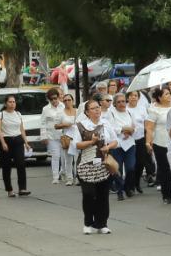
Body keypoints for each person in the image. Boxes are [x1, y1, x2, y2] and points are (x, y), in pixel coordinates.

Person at [72, 98, 115, 233]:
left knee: (103, 195)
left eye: (98, 107)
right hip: (86, 165)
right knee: (89, 194)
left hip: (103, 164)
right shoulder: (80, 125)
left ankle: (102, 223)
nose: (97, 110)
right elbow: (76, 145)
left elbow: (115, 141)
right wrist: (91, 142)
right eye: (93, 108)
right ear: (86, 112)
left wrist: (108, 147)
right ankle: (88, 223)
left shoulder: (106, 123)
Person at [104, 90, 140, 201]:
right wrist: (123, 129)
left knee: (130, 167)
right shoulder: (111, 113)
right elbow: (110, 128)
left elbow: (135, 127)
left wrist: (131, 131)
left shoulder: (129, 112)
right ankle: (120, 191)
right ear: (115, 103)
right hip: (117, 145)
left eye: (124, 101)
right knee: (117, 168)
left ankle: (127, 186)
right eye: (119, 102)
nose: (122, 104)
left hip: (130, 144)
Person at [0, 93, 29, 198]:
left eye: (14, 102)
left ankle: (22, 188)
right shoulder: (0, 115)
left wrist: (26, 142)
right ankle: (9, 190)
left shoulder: (18, 114)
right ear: (5, 103)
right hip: (6, 141)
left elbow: (21, 129)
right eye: (10, 102)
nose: (12, 104)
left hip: (18, 140)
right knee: (6, 167)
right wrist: (3, 142)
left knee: (21, 164)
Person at [146, 88, 171, 205]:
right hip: (161, 142)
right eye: (166, 94)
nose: (169, 95)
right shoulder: (154, 110)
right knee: (165, 170)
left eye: (169, 93)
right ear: (159, 97)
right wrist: (148, 142)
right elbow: (149, 128)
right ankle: (167, 194)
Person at [52, 91, 79, 187]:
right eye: (65, 100)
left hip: (77, 137)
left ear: (73, 101)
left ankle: (77, 178)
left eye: (69, 100)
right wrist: (64, 125)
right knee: (68, 159)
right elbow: (55, 126)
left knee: (77, 159)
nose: (67, 102)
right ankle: (69, 178)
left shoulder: (78, 111)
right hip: (67, 137)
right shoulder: (61, 113)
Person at [44, 87, 67, 186]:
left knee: (64, 156)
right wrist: (44, 136)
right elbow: (42, 123)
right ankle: (55, 176)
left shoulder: (63, 106)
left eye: (55, 98)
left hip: (63, 135)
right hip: (52, 135)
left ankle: (64, 173)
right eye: (51, 99)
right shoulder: (45, 109)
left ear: (58, 97)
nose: (54, 101)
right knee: (55, 156)